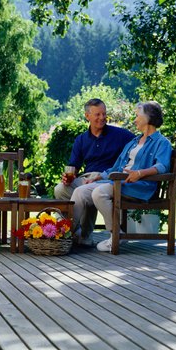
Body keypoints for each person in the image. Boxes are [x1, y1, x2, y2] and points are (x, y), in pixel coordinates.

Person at [70, 101, 172, 252]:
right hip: (120, 181)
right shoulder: (133, 141)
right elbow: (116, 167)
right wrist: (99, 176)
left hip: (138, 185)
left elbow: (162, 166)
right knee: (80, 191)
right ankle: (64, 233)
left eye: (137, 116)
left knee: (99, 192)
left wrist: (139, 173)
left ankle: (116, 234)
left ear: (148, 118)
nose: (134, 120)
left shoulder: (162, 142)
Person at [54, 98, 134, 246]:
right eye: (97, 114)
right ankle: (74, 229)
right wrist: (68, 177)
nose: (102, 118)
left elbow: (139, 145)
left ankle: (73, 234)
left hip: (107, 177)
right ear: (87, 116)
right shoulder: (81, 139)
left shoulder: (120, 135)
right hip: (86, 177)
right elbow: (74, 165)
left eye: (104, 114)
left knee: (85, 191)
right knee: (59, 189)